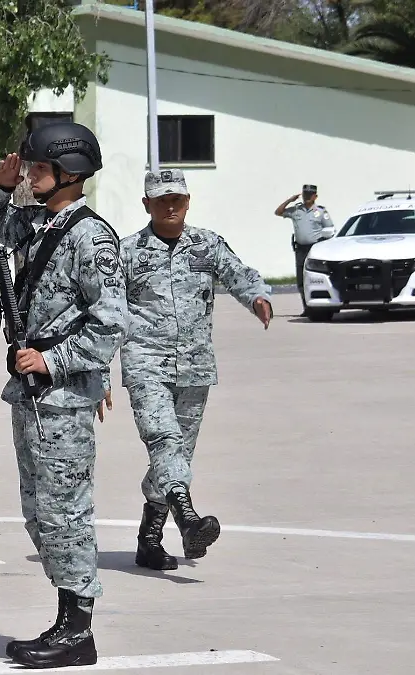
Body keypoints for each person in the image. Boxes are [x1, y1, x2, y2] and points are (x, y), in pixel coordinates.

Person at [0, 121, 127, 669]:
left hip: (61, 395)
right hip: (32, 393)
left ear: (71, 173)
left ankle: (77, 628)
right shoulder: (38, 224)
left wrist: (53, 359)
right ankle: (67, 616)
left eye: (39, 168)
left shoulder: (92, 238)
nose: (32, 176)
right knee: (40, 514)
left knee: (66, 512)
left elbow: (110, 323)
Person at [120, 169, 273, 571]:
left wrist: (257, 297)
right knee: (164, 441)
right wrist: (98, 371)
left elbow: (238, 274)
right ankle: (188, 519)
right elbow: (106, 312)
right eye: (161, 200)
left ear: (188, 202)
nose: (170, 206)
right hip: (145, 362)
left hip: (195, 367)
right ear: (146, 204)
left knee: (177, 456)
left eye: (177, 199)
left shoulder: (208, 245)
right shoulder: (126, 252)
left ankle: (149, 540)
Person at [274, 185, 333, 314]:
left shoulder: (321, 212)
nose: (307, 197)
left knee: (315, 276)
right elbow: (278, 212)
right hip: (300, 249)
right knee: (301, 279)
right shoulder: (296, 210)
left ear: (315, 196)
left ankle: (318, 306)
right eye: (305, 194)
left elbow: (330, 230)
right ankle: (306, 307)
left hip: (315, 248)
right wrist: (290, 200)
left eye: (310, 194)